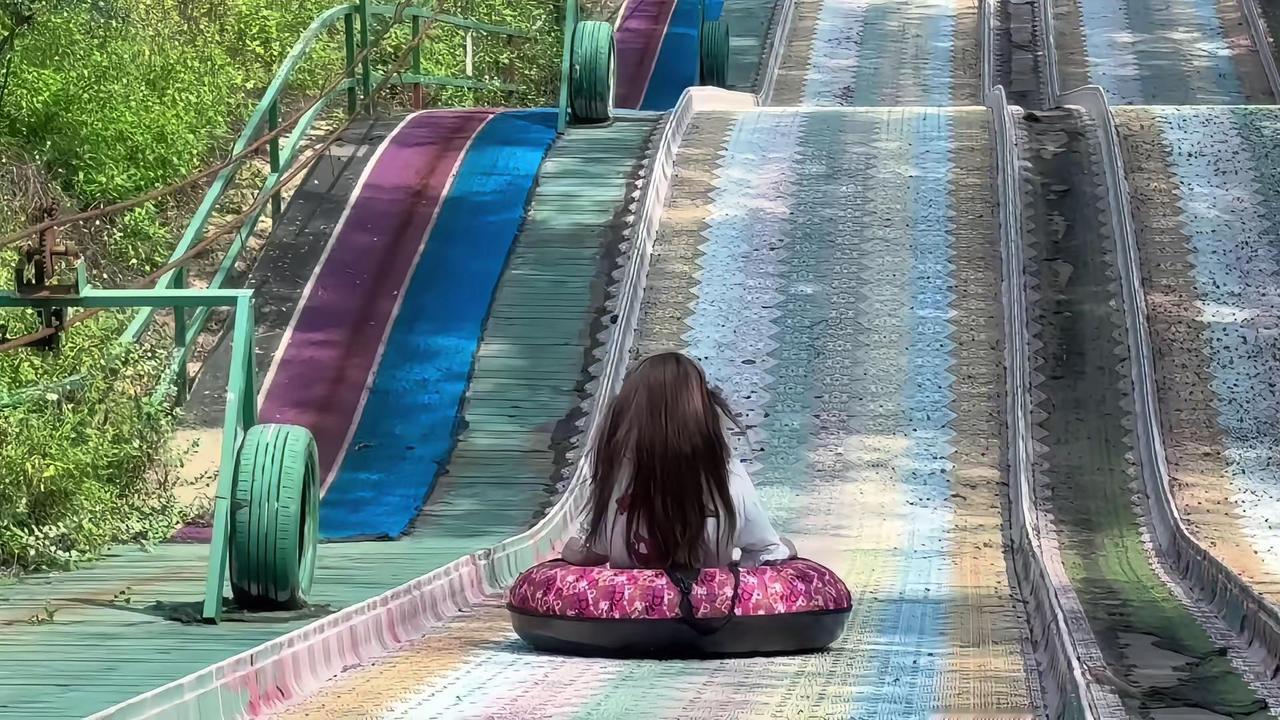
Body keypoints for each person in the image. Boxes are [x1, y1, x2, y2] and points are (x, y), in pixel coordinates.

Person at [562, 352, 796, 569]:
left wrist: (571, 551)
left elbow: (595, 552)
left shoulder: (618, 473)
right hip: (706, 600)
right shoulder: (727, 477)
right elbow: (766, 553)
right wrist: (784, 547)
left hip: (635, 601)